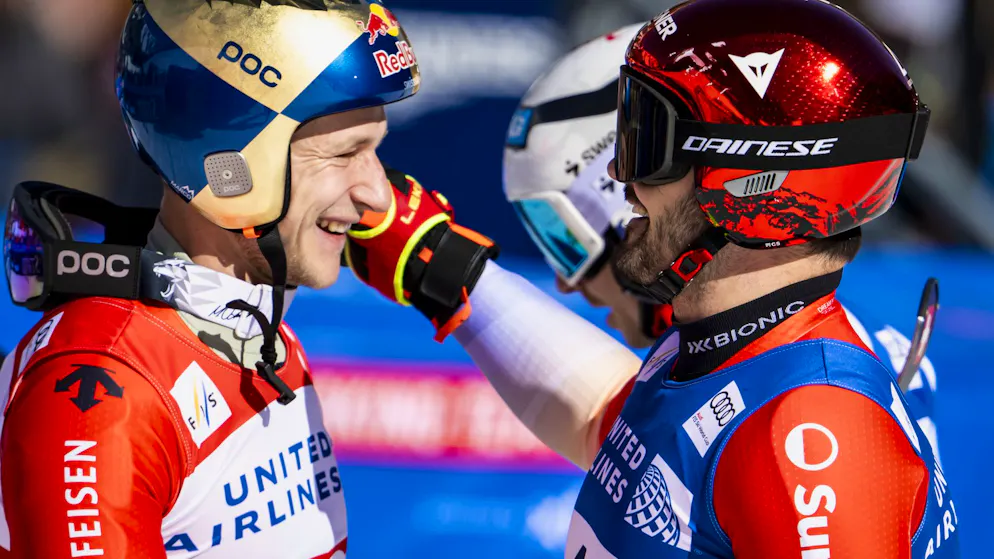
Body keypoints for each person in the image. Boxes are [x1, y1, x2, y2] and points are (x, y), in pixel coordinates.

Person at [344, 0, 959, 556]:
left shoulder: (810, 431)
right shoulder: (721, 358)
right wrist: (441, 263)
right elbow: (612, 427)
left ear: (754, 181)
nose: (622, 175)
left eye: (649, 142)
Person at [0, 1, 450, 557]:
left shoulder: (248, 322)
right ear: (231, 166)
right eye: (343, 155)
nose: (380, 196)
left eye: (374, 151)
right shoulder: (105, 394)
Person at [502, 22, 941, 452]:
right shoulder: (746, 362)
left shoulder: (805, 412)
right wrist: (445, 264)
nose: (566, 283)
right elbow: (609, 428)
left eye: (561, 233)